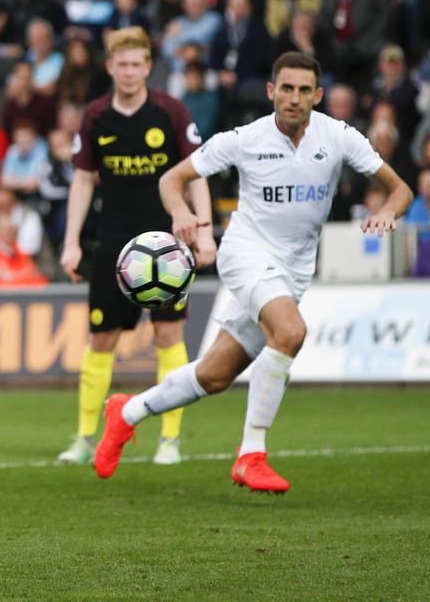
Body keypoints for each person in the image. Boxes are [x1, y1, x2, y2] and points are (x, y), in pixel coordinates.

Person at [95, 51, 413, 492]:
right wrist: (181, 213)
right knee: (290, 333)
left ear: (318, 95)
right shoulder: (244, 138)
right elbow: (171, 179)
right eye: (287, 88)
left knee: (214, 375)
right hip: (245, 254)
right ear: (271, 92)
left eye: (305, 90)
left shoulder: (339, 136)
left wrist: (389, 213)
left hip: (294, 270)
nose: (295, 98)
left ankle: (126, 413)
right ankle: (251, 453)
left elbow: (401, 189)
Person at [57, 27, 215, 467]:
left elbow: (196, 173)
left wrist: (204, 231)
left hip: (166, 244)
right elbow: (84, 180)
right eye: (121, 64)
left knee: (168, 335)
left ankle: (170, 439)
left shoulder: (170, 111)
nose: (128, 72)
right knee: (101, 337)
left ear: (148, 66)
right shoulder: (95, 116)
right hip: (113, 242)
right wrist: (71, 241)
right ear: (110, 67)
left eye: (136, 64)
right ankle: (85, 435)